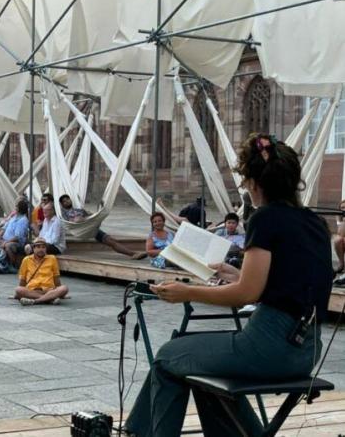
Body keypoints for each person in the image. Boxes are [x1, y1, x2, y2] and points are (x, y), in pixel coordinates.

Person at [124, 134, 332, 437]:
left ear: (255, 182)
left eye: (246, 180)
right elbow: (289, 285)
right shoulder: (313, 222)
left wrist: (187, 292)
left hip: (267, 346)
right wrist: (238, 274)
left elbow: (246, 295)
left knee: (168, 357)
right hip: (307, 349)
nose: (246, 187)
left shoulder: (265, 219)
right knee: (200, 370)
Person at [58, 194, 146, 260]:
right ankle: (133, 253)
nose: (67, 201)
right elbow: (73, 221)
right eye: (64, 201)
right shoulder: (63, 213)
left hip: (92, 229)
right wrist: (81, 219)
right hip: (80, 230)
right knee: (78, 219)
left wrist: (99, 212)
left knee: (111, 241)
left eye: (67, 199)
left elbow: (93, 216)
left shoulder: (79, 210)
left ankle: (133, 254)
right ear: (62, 205)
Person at [15, 237, 69, 306]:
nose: (41, 249)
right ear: (33, 249)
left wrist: (61, 293)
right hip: (33, 290)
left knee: (64, 288)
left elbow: (56, 277)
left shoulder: (52, 258)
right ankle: (50, 299)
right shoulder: (26, 260)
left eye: (43, 247)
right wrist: (18, 294)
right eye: (38, 247)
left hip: (49, 290)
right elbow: (22, 279)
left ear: (46, 249)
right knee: (18, 289)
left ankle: (35, 301)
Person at [334, 199, 345, 273]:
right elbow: (340, 233)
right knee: (337, 240)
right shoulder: (340, 217)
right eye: (342, 208)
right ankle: (341, 264)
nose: (344, 209)